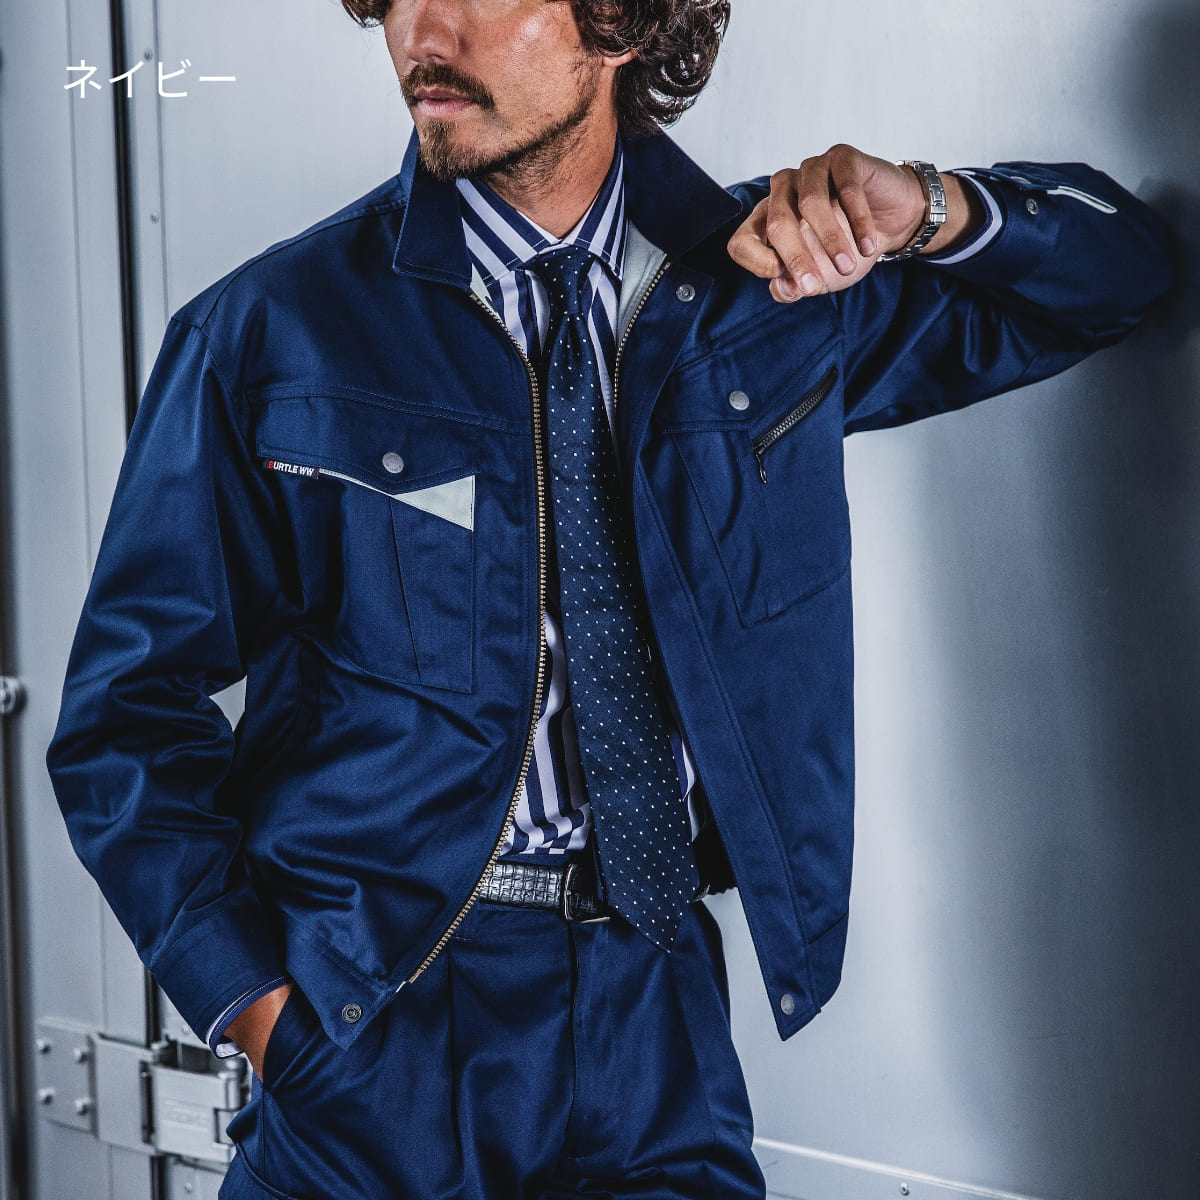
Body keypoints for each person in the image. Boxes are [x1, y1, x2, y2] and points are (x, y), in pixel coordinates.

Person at [48, 1, 1170, 1197]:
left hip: (656, 1002)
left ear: (623, 21)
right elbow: (125, 717)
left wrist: (930, 209)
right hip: (379, 1019)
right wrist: (267, 1019)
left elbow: (1117, 277)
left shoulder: (768, 291)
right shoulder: (274, 332)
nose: (425, 31)